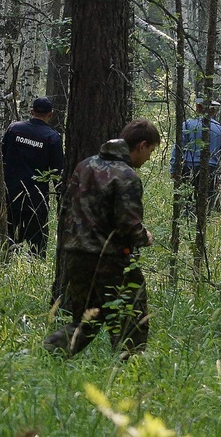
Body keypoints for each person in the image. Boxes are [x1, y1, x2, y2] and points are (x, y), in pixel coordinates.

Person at [44, 118, 160, 359]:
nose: (148, 157)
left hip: (76, 255)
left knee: (87, 320)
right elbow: (127, 224)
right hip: (110, 260)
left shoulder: (84, 165)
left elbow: (66, 208)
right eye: (150, 151)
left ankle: (46, 355)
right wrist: (144, 237)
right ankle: (130, 371)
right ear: (141, 145)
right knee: (133, 318)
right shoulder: (127, 176)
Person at [1, 97, 64, 256]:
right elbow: (57, 173)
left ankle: (5, 266)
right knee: (36, 245)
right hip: (36, 199)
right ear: (51, 114)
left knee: (8, 239)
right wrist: (60, 202)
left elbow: (1, 158)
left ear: (31, 112)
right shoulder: (52, 137)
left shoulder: (14, 129)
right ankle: (33, 271)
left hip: (11, 195)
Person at [170, 98, 221, 213]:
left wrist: (174, 169)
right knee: (206, 202)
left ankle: (188, 220)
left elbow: (178, 148)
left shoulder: (188, 125)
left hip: (189, 168)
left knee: (187, 201)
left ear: (198, 109)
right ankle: (203, 223)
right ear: (213, 111)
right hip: (211, 169)